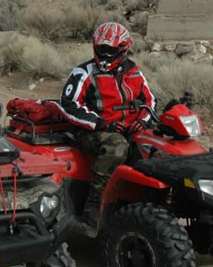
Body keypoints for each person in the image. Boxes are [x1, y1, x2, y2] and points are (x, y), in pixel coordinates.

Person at [57, 22, 155, 226]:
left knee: (157, 144)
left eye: (110, 50)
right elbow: (69, 105)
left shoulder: (134, 71)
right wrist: (102, 123)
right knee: (116, 147)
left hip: (128, 128)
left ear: (123, 49)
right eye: (101, 49)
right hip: (90, 132)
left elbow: (149, 101)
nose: (105, 54)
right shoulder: (84, 72)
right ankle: (95, 204)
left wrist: (142, 121)